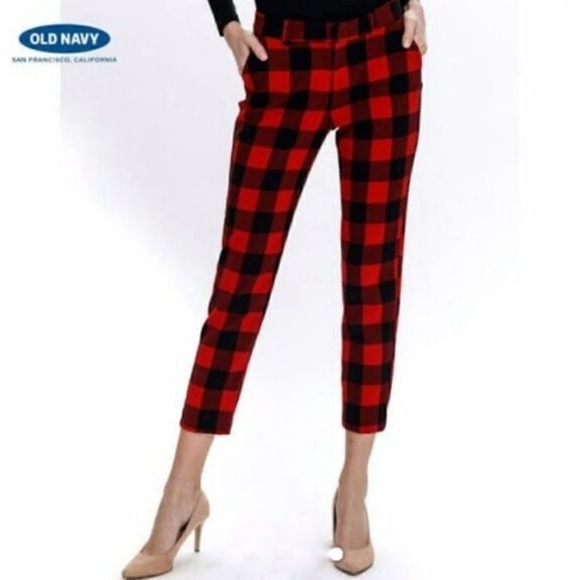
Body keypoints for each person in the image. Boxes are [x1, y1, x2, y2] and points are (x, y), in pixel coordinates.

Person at [122, 0, 427, 576]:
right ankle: (182, 493)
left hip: (382, 53)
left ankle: (353, 488)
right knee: (238, 287)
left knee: (372, 284)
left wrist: (412, 2)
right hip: (284, 58)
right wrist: (226, 22)